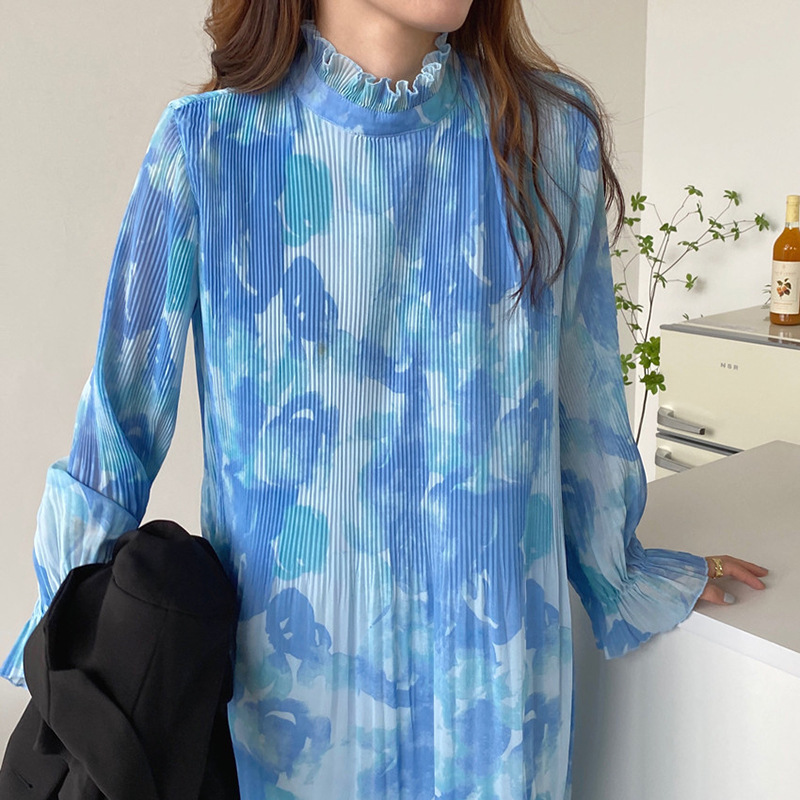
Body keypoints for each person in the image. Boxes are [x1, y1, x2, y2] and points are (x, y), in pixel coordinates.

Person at [1, 0, 769, 798]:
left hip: (501, 705)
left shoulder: (547, 137)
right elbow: (118, 429)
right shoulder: (210, 147)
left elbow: (585, 404)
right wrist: (62, 654)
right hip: (295, 712)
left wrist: (622, 575)